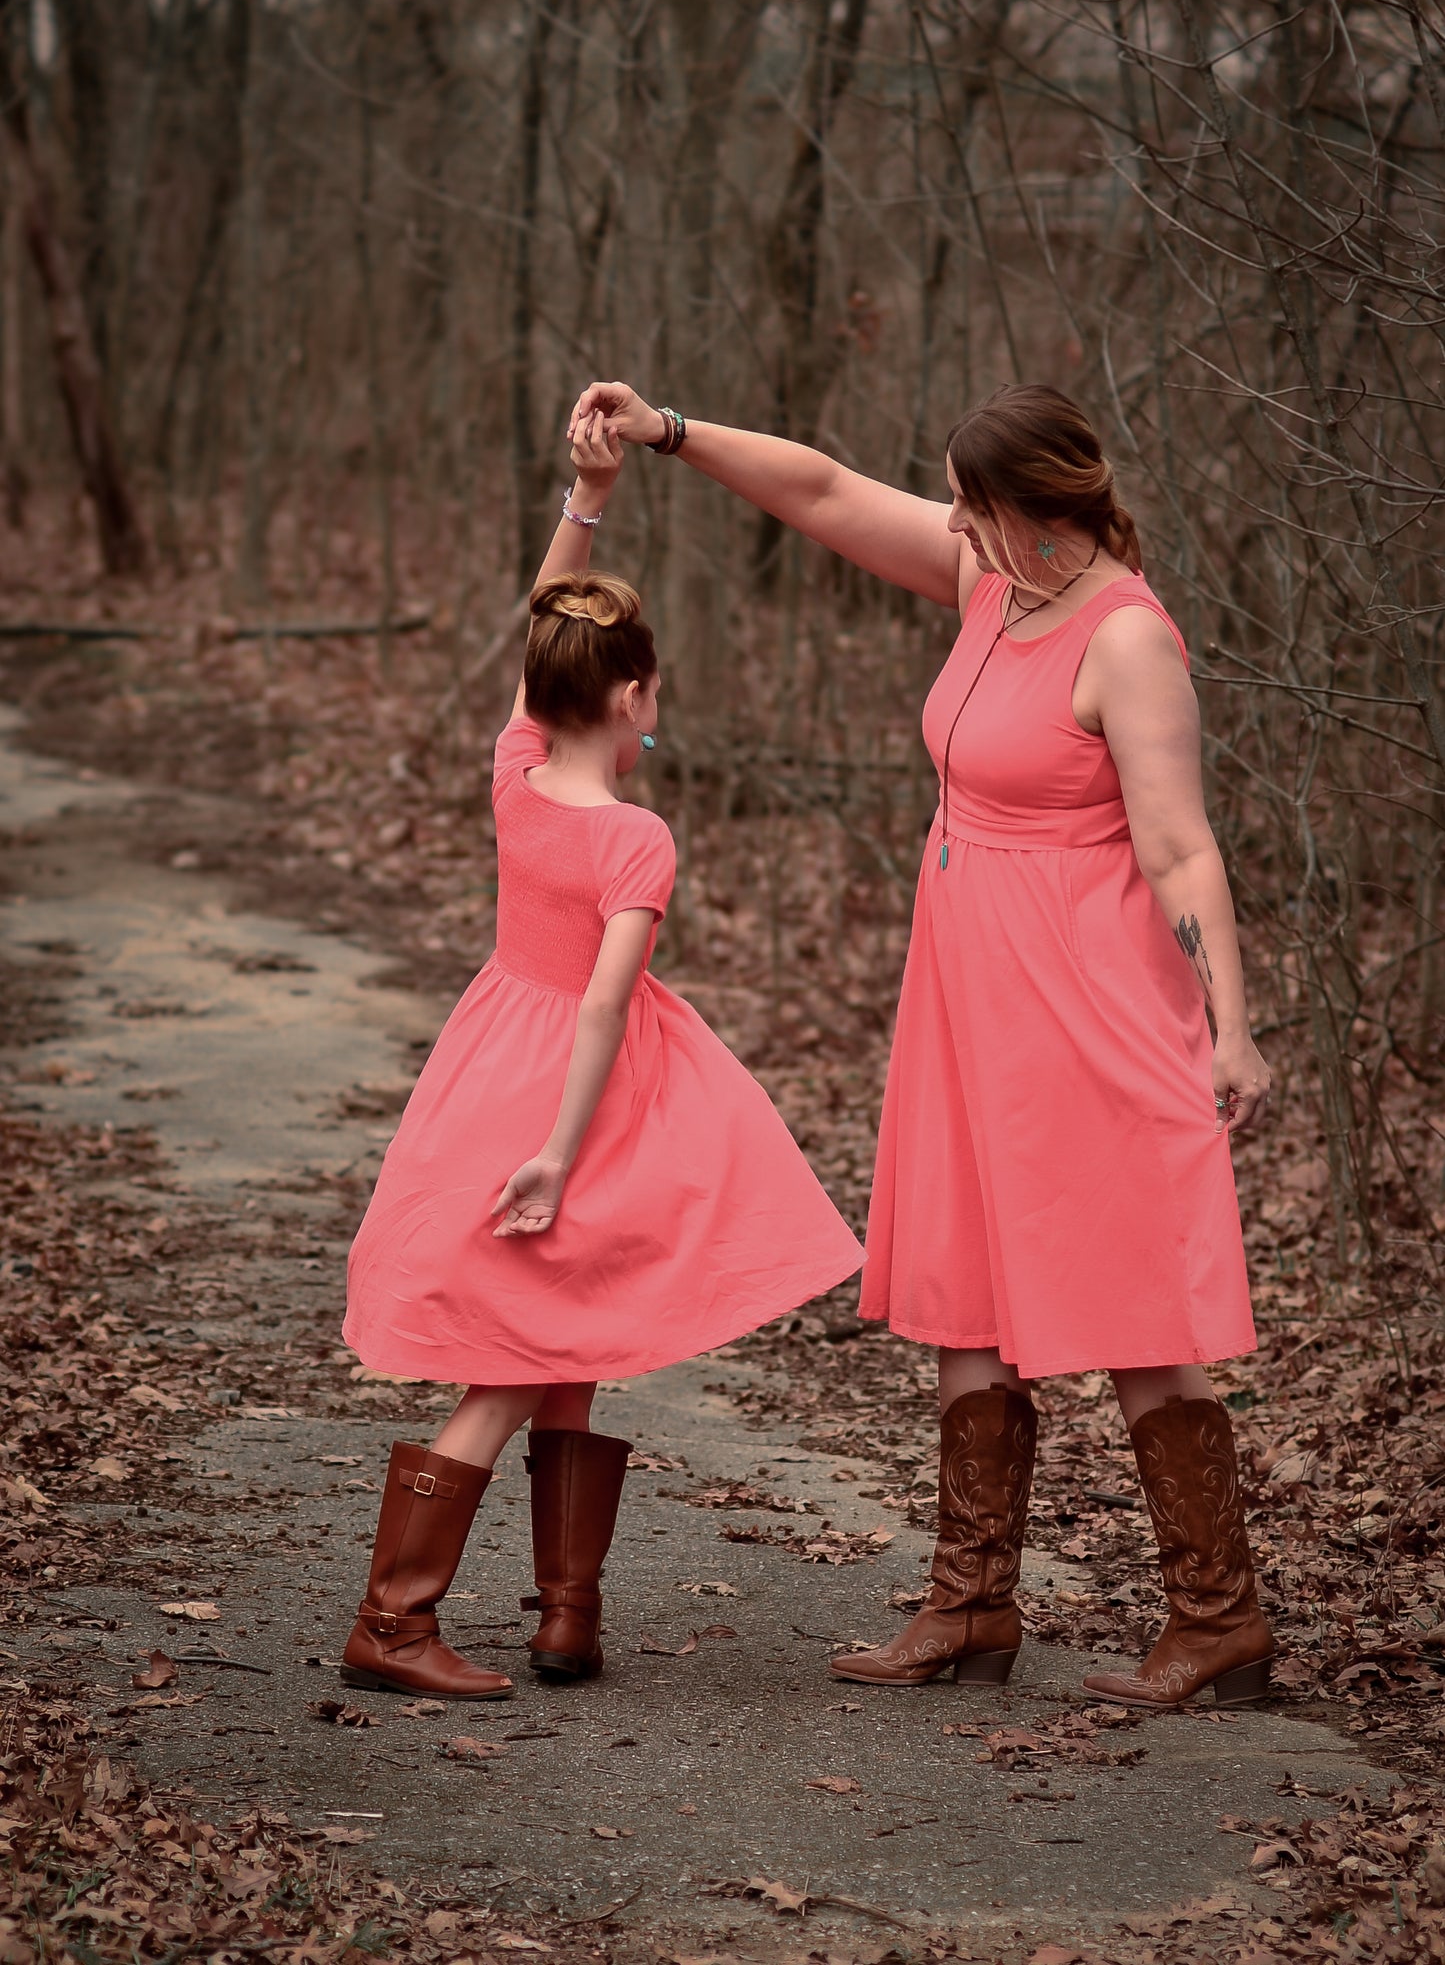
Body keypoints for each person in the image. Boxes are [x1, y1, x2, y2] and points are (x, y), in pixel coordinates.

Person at [566, 380, 1275, 1710]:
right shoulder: (989, 580)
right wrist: (669, 431)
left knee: (1126, 1291)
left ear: (1039, 510)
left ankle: (1217, 1618)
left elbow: (1180, 846)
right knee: (962, 1287)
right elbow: (826, 492)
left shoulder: (1124, 638)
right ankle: (969, 1606)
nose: (951, 519)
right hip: (968, 992)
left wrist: (1230, 1023)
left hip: (1089, 996)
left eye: (972, 501)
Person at [339, 416, 863, 1699]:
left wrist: (590, 497)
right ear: (628, 698)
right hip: (571, 1095)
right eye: (652, 684)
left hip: (490, 1057)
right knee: (518, 1357)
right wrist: (559, 1155)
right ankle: (392, 1624)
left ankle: (567, 1615)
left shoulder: (516, 770)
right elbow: (603, 1010)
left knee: (564, 1329)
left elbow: (540, 632)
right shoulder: (636, 836)